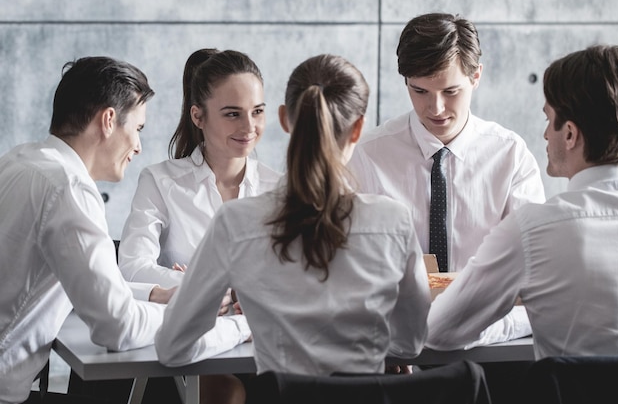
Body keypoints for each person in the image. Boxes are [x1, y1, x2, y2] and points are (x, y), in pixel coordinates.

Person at [155, 54, 431, 383]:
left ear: (285, 119)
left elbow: (172, 347)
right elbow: (411, 342)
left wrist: (240, 327)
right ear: (358, 128)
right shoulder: (393, 221)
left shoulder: (236, 223)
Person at [427, 44, 618, 356]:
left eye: (549, 119)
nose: (546, 134)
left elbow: (440, 332)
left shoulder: (533, 229)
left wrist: (525, 312)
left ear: (570, 134)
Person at [115, 48, 281, 404]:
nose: (249, 127)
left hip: (264, 346)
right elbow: (131, 267)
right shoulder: (160, 181)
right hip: (194, 350)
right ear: (198, 116)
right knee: (227, 393)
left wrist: (206, 280)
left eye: (257, 112)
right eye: (232, 114)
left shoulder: (281, 189)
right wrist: (205, 284)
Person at [0, 56, 169, 404]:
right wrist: (194, 312)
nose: (138, 146)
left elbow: (82, 280)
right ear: (109, 120)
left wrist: (153, 294)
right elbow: (118, 328)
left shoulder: (21, 161)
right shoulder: (69, 189)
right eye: (137, 129)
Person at [348, 13, 545, 273]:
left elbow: (533, 261)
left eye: (450, 91)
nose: (436, 108)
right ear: (406, 82)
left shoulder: (511, 156)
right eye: (420, 91)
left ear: (475, 77)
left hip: (487, 313)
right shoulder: (367, 154)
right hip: (397, 313)